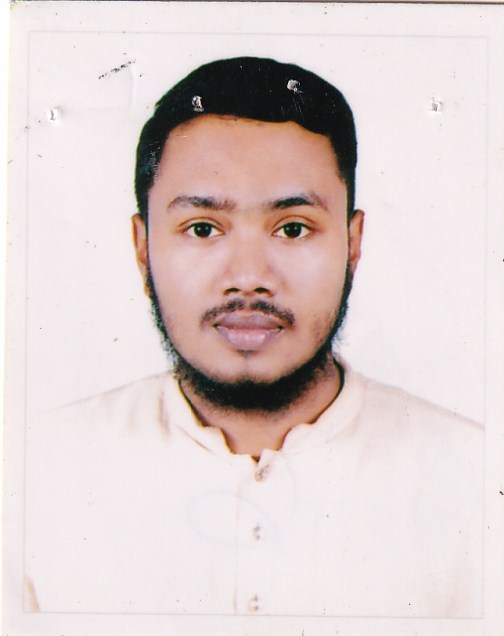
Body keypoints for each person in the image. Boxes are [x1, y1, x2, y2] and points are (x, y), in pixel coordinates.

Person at [25, 57, 482, 617]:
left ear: (352, 243)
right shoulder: (35, 477)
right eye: (202, 229)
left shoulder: (478, 483)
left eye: (292, 228)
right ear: (143, 248)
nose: (247, 276)